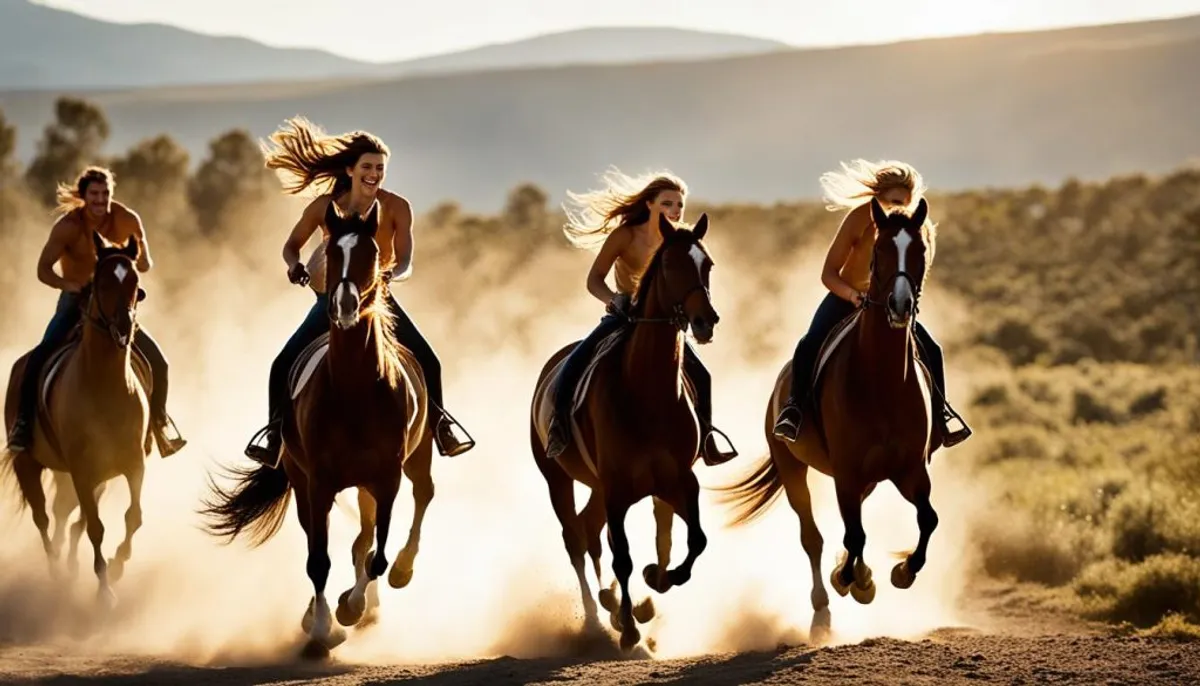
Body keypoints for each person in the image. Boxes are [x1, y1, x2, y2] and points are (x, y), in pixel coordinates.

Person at [243, 116, 473, 467]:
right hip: (331, 301)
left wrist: (393, 275)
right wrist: (294, 265)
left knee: (429, 361)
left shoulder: (397, 207)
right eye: (367, 166)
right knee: (281, 364)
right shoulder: (324, 206)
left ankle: (441, 426)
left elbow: (407, 258)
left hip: (379, 300)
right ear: (350, 169)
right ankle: (275, 435)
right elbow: (291, 245)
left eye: (380, 168)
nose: (375, 174)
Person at [771, 159, 972, 448]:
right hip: (847, 298)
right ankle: (793, 410)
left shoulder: (920, 228)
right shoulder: (858, 219)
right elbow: (828, 274)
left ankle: (942, 416)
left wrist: (905, 306)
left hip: (890, 306)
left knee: (933, 350)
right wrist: (852, 296)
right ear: (877, 199)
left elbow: (917, 278)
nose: (899, 207)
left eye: (905, 201)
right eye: (892, 201)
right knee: (809, 343)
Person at [543, 168, 737, 466]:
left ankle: (706, 438)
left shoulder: (680, 242)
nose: (675, 210)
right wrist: (613, 299)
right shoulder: (625, 236)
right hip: (624, 316)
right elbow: (594, 279)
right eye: (667, 203)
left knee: (702, 376)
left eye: (679, 205)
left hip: (666, 322)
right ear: (649, 204)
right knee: (574, 362)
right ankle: (559, 428)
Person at [5, 166, 187, 458]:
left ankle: (159, 425)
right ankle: (24, 425)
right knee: (39, 357)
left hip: (114, 305)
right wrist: (69, 284)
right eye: (94, 194)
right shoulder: (68, 227)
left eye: (105, 194)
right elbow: (42, 270)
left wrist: (137, 263)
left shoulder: (127, 219)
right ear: (83, 196)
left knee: (159, 363)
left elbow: (146, 263)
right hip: (75, 301)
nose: (100, 200)